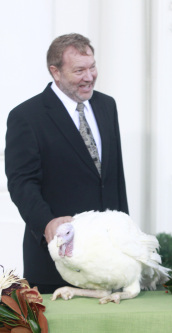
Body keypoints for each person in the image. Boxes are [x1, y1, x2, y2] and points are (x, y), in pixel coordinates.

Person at [5, 33, 128, 294]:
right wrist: (47, 223)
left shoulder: (107, 105)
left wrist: (125, 239)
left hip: (109, 262)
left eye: (92, 67)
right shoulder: (26, 117)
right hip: (57, 263)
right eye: (79, 70)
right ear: (55, 72)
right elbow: (21, 183)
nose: (89, 76)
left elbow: (113, 179)